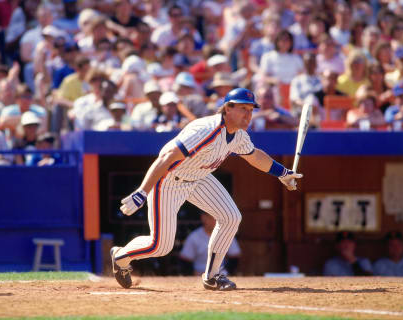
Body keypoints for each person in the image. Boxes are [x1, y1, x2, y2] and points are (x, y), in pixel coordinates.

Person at [110, 88, 302, 291]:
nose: (248, 114)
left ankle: (212, 276)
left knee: (231, 217)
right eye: (243, 108)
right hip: (169, 180)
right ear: (228, 108)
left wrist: (283, 173)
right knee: (160, 246)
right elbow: (166, 158)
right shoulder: (205, 129)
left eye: (251, 109)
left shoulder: (238, 135)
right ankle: (121, 257)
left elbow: (254, 156)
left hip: (199, 177)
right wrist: (142, 191)